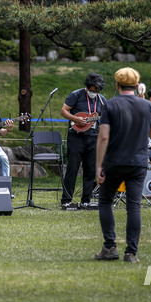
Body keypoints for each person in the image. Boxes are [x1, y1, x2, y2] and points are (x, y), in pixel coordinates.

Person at [95, 67, 151, 263]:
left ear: (117, 85)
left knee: (105, 201)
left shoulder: (110, 104)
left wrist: (98, 166)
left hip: (114, 161)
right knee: (134, 206)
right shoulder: (147, 106)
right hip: (138, 162)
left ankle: (110, 247)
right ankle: (131, 252)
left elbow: (104, 136)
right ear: (137, 86)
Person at [60, 73, 107, 209]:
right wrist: (76, 119)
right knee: (72, 169)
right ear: (87, 87)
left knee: (90, 170)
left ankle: (86, 199)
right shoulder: (76, 95)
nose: (94, 93)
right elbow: (63, 111)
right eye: (92, 90)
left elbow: (106, 117)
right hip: (76, 137)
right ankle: (66, 200)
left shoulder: (102, 100)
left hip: (93, 137)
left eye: (97, 91)